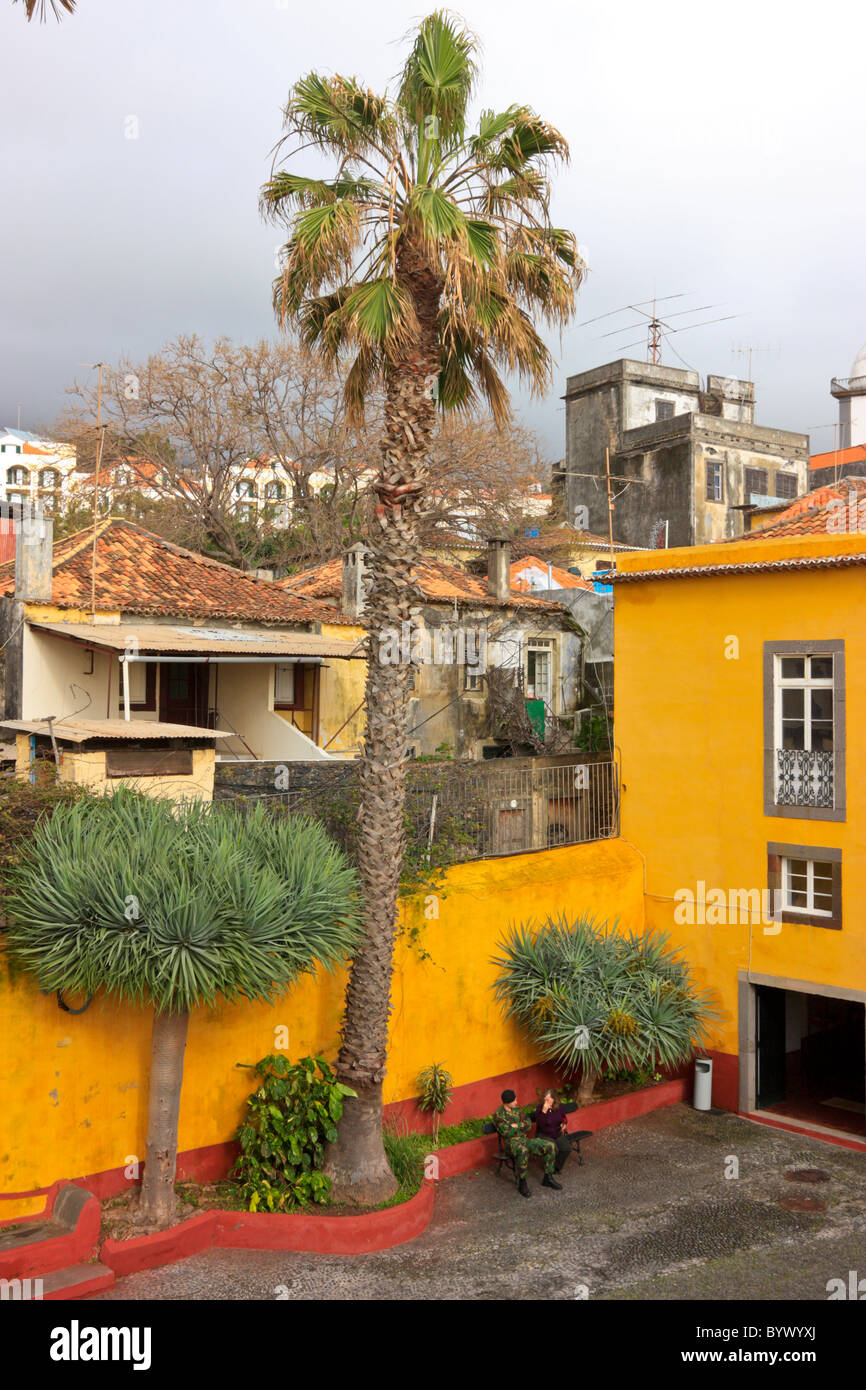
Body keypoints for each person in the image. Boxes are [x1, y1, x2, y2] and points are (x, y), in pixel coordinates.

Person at [491, 1089, 561, 1198]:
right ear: (507, 1102)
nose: (516, 1102)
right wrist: (520, 1126)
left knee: (549, 1146)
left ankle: (548, 1177)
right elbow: (507, 1132)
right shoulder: (498, 1115)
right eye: (514, 1100)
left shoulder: (517, 1110)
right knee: (523, 1151)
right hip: (511, 1144)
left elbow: (528, 1124)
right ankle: (522, 1183)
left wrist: (516, 1125)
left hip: (524, 1140)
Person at [533, 1090, 573, 1174]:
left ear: (554, 1099)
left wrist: (564, 1123)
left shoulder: (559, 1107)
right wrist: (543, 1112)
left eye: (548, 1099)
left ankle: (556, 1167)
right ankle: (548, 1169)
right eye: (545, 1099)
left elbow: (564, 1117)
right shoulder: (540, 1109)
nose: (546, 1102)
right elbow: (540, 1124)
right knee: (555, 1149)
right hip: (544, 1134)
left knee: (567, 1148)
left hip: (556, 1133)